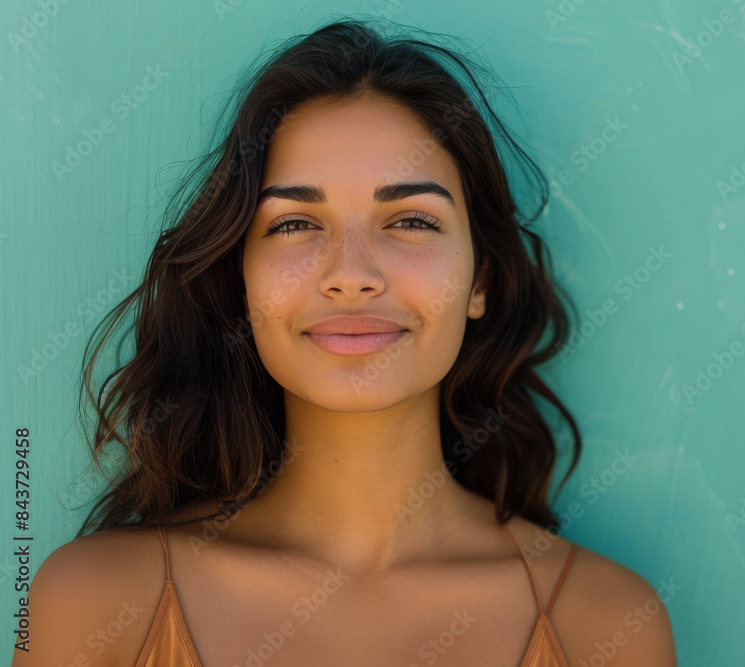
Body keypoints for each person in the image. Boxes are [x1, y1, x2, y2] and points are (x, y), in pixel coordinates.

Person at [15, 17, 677, 666]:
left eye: (412, 220)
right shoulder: (93, 604)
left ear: (481, 280)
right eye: (295, 223)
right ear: (241, 281)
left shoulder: (606, 623)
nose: (352, 274)